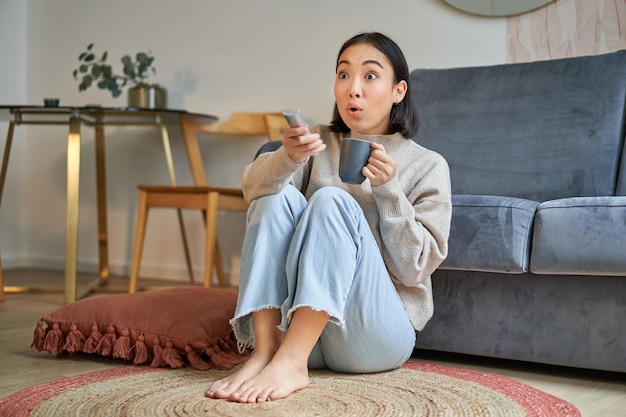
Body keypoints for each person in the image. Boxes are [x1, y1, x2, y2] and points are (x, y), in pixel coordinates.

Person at [206, 32, 452, 403]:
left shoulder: (428, 164)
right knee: (273, 197)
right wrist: (286, 157)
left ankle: (289, 362)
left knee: (331, 201)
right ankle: (266, 353)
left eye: (370, 76)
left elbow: (414, 269)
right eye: (343, 75)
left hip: (375, 338)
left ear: (398, 90)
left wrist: (389, 191)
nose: (354, 89)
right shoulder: (319, 142)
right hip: (303, 334)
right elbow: (251, 191)